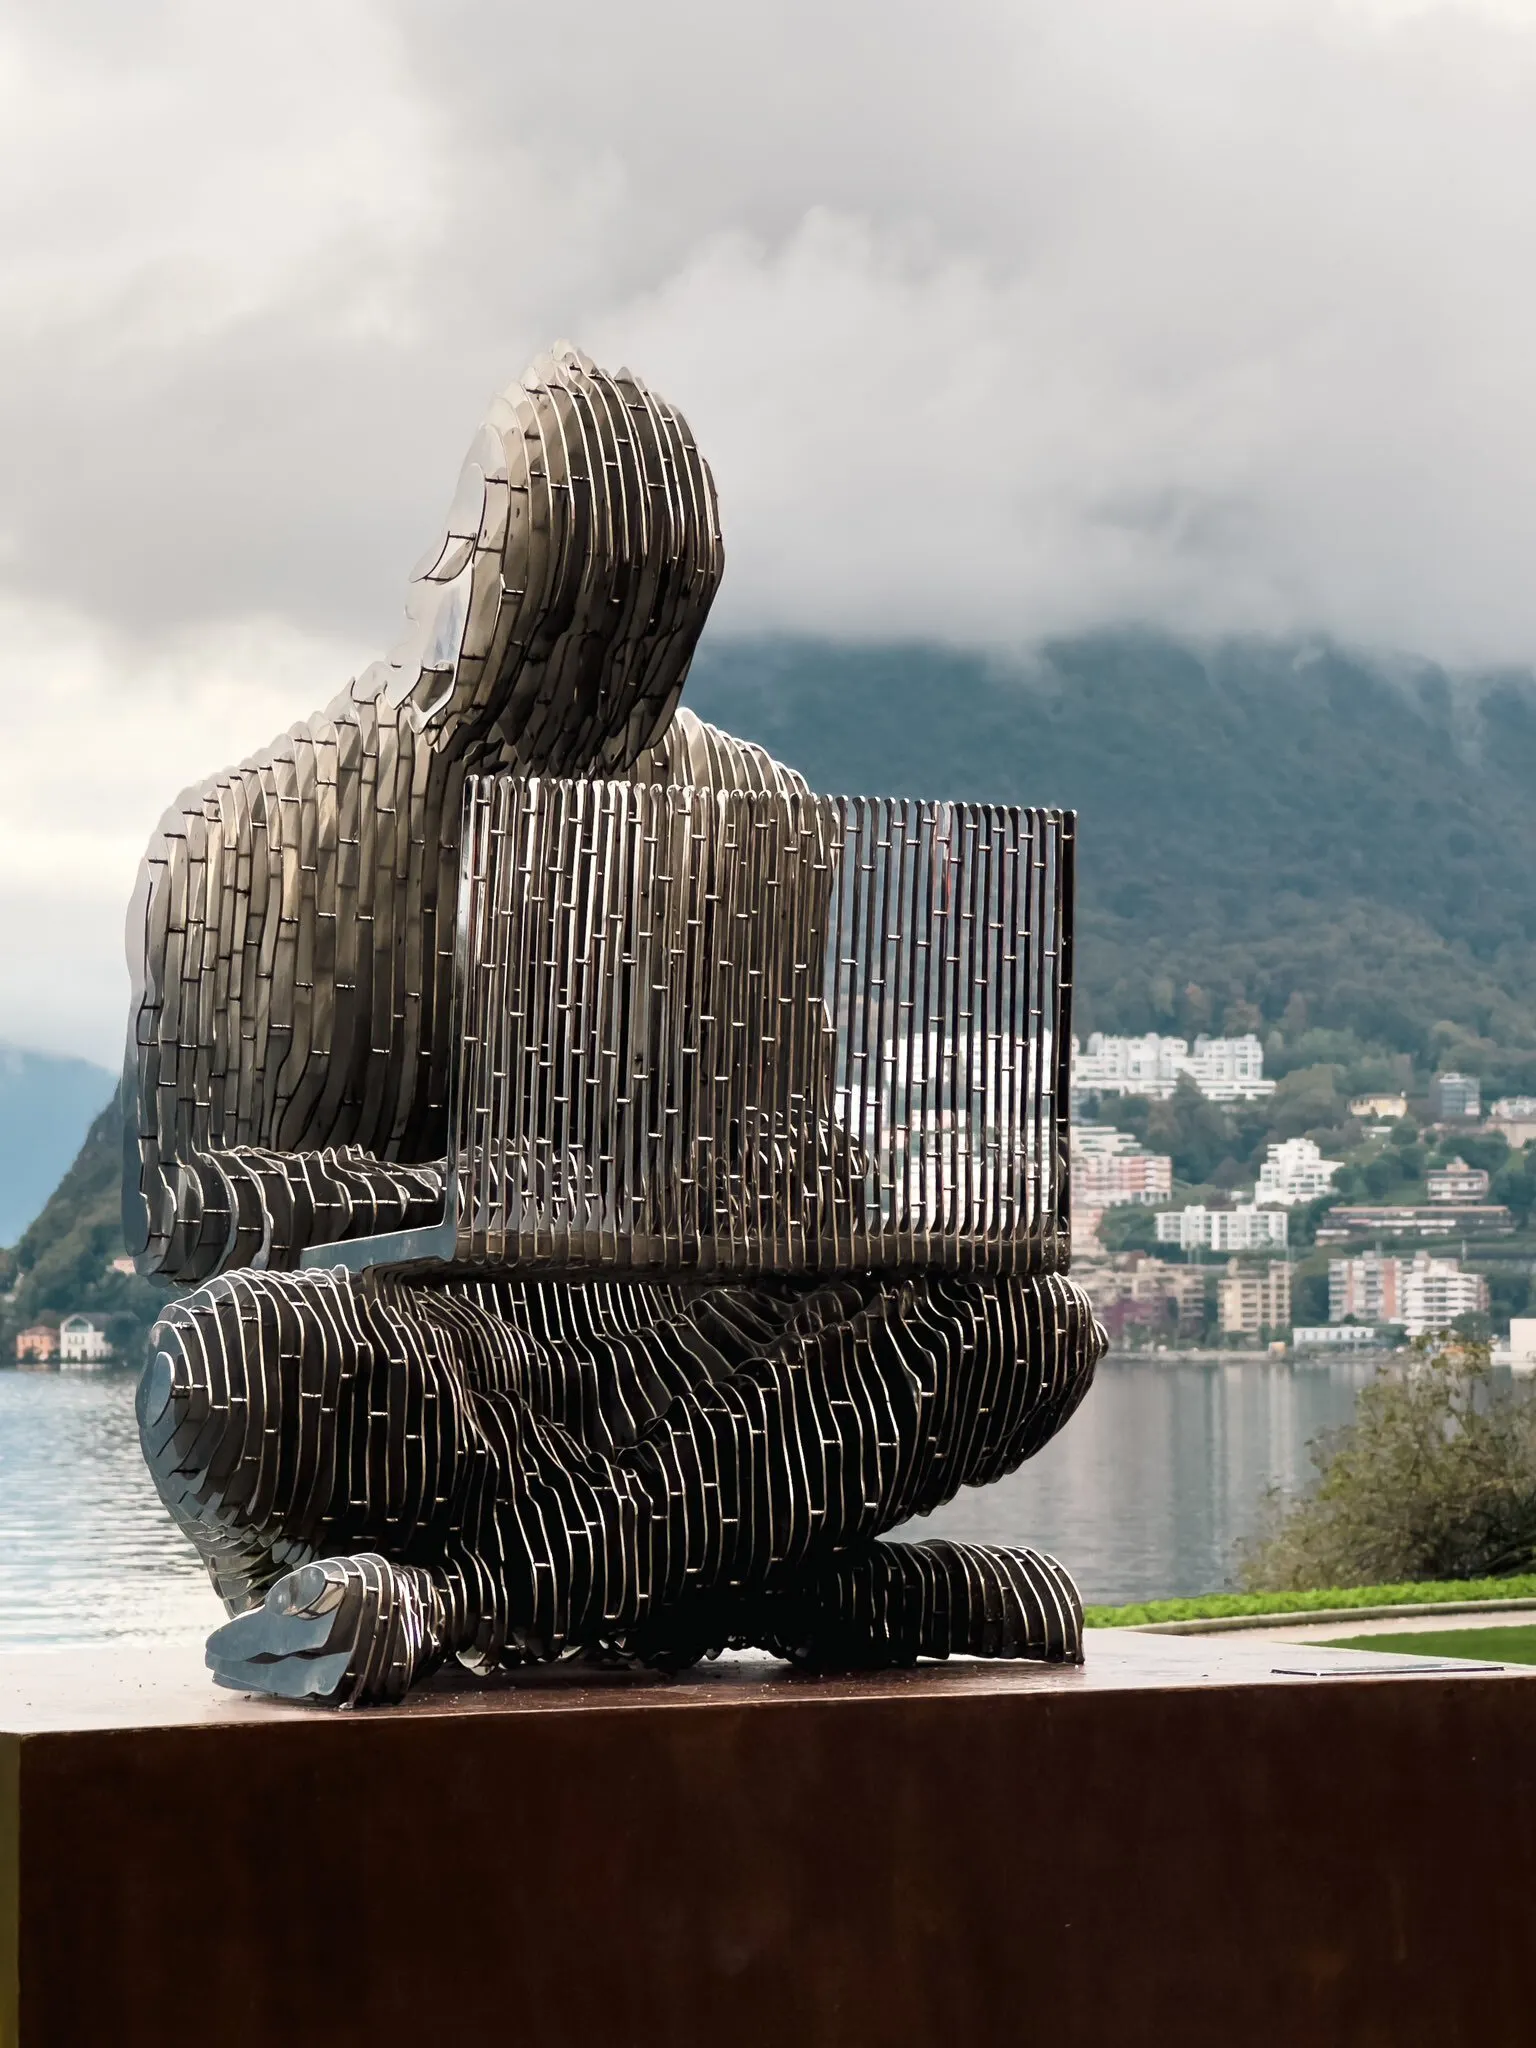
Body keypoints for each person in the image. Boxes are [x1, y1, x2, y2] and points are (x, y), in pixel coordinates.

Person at [127, 346, 1105, 1704]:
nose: (604, 679)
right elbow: (184, 1216)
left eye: (645, 640)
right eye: (574, 631)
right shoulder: (256, 836)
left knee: (1027, 1325)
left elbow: (787, 1168)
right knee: (224, 1367)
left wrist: (815, 1204)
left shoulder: (750, 811)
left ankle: (478, 1599)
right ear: (473, 585)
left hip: (692, 1369)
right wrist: (460, 1195)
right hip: (446, 1377)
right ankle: (760, 1579)